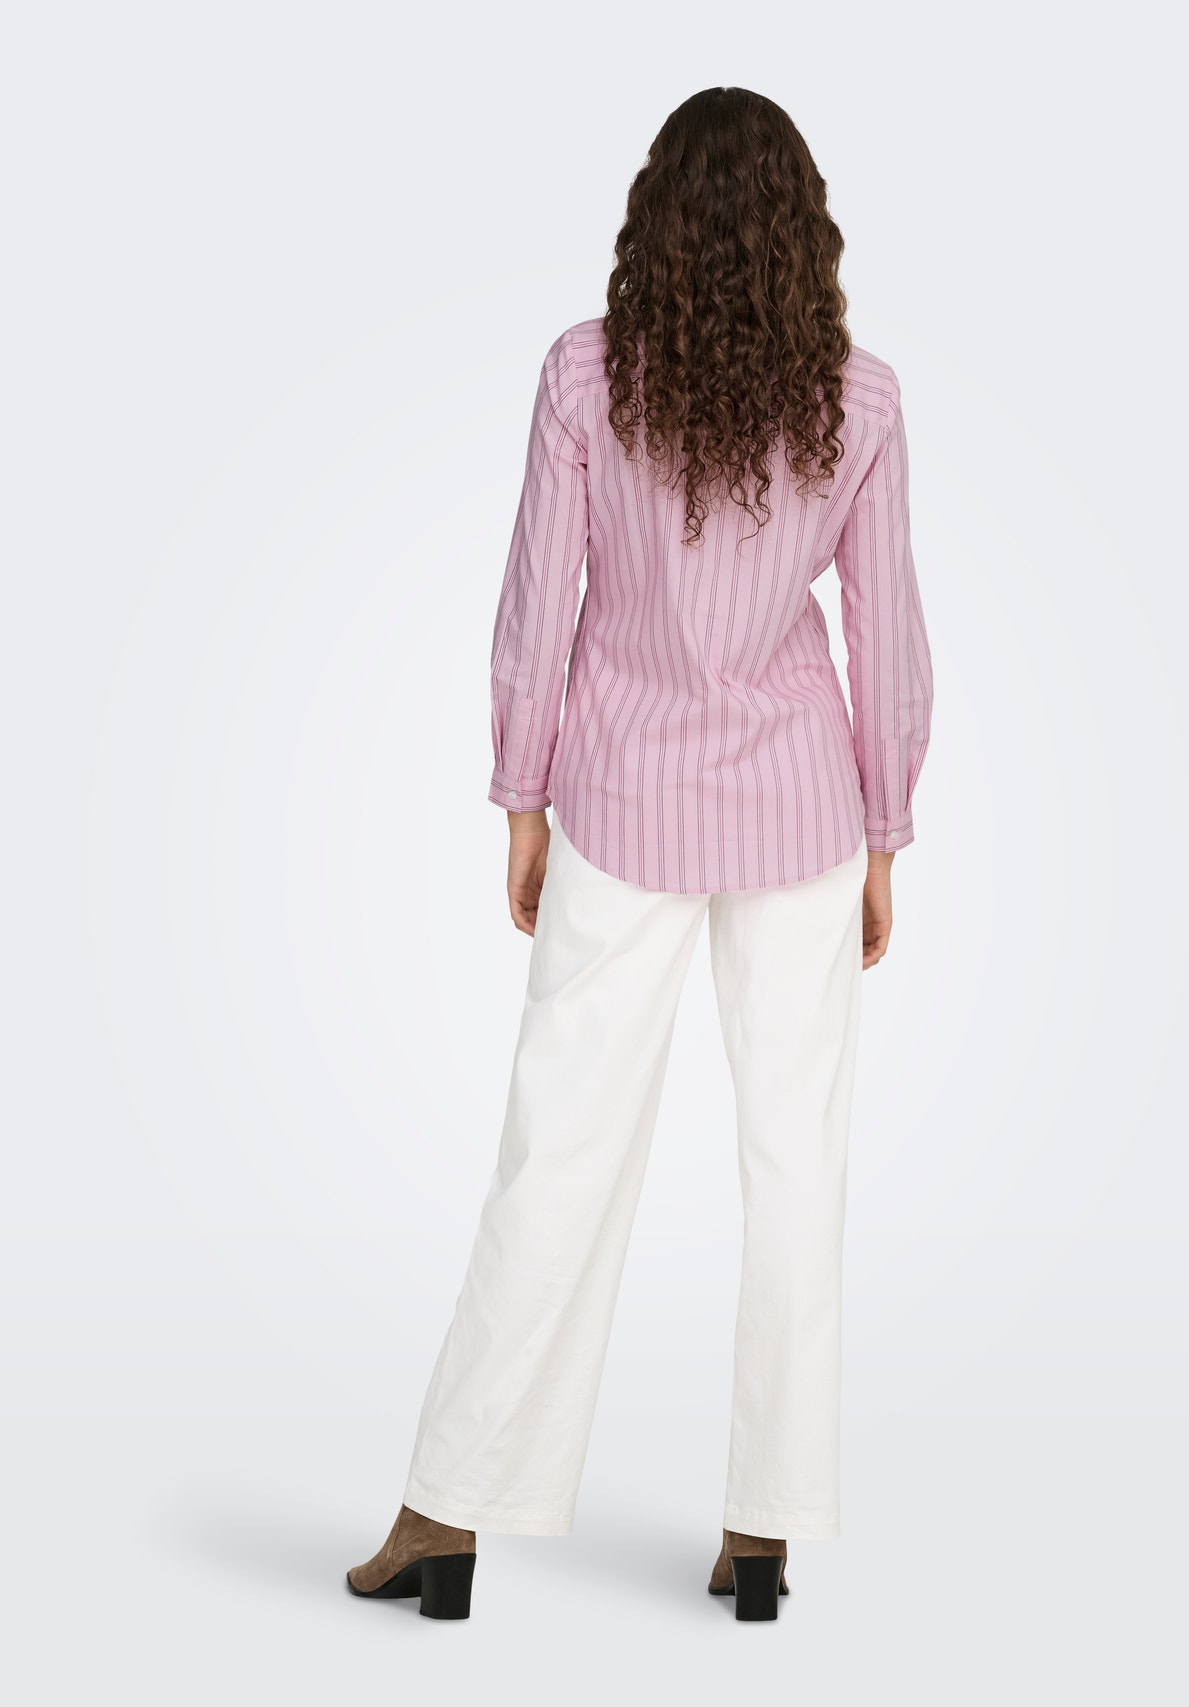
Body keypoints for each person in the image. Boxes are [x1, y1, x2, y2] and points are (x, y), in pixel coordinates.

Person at [347, 84, 934, 1623]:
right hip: (803, 812)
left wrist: (522, 797)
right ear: (805, 233)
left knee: (556, 1151)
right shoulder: (860, 399)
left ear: (652, 221)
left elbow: (537, 599)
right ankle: (766, 1534)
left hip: (619, 799)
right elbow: (889, 637)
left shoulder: (585, 375)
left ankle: (448, 1514)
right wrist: (886, 831)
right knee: (797, 1168)